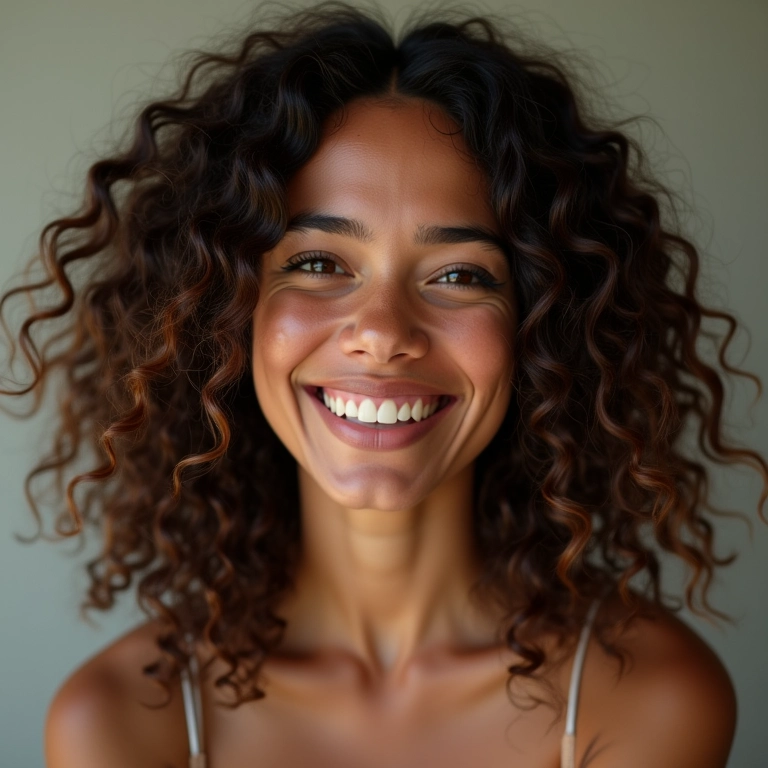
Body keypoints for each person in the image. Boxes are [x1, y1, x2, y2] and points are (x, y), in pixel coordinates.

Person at [1, 2, 765, 766]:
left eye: (461, 275)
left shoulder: (648, 700)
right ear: (222, 311)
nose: (384, 331)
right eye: (320, 263)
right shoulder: (121, 724)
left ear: (543, 331)